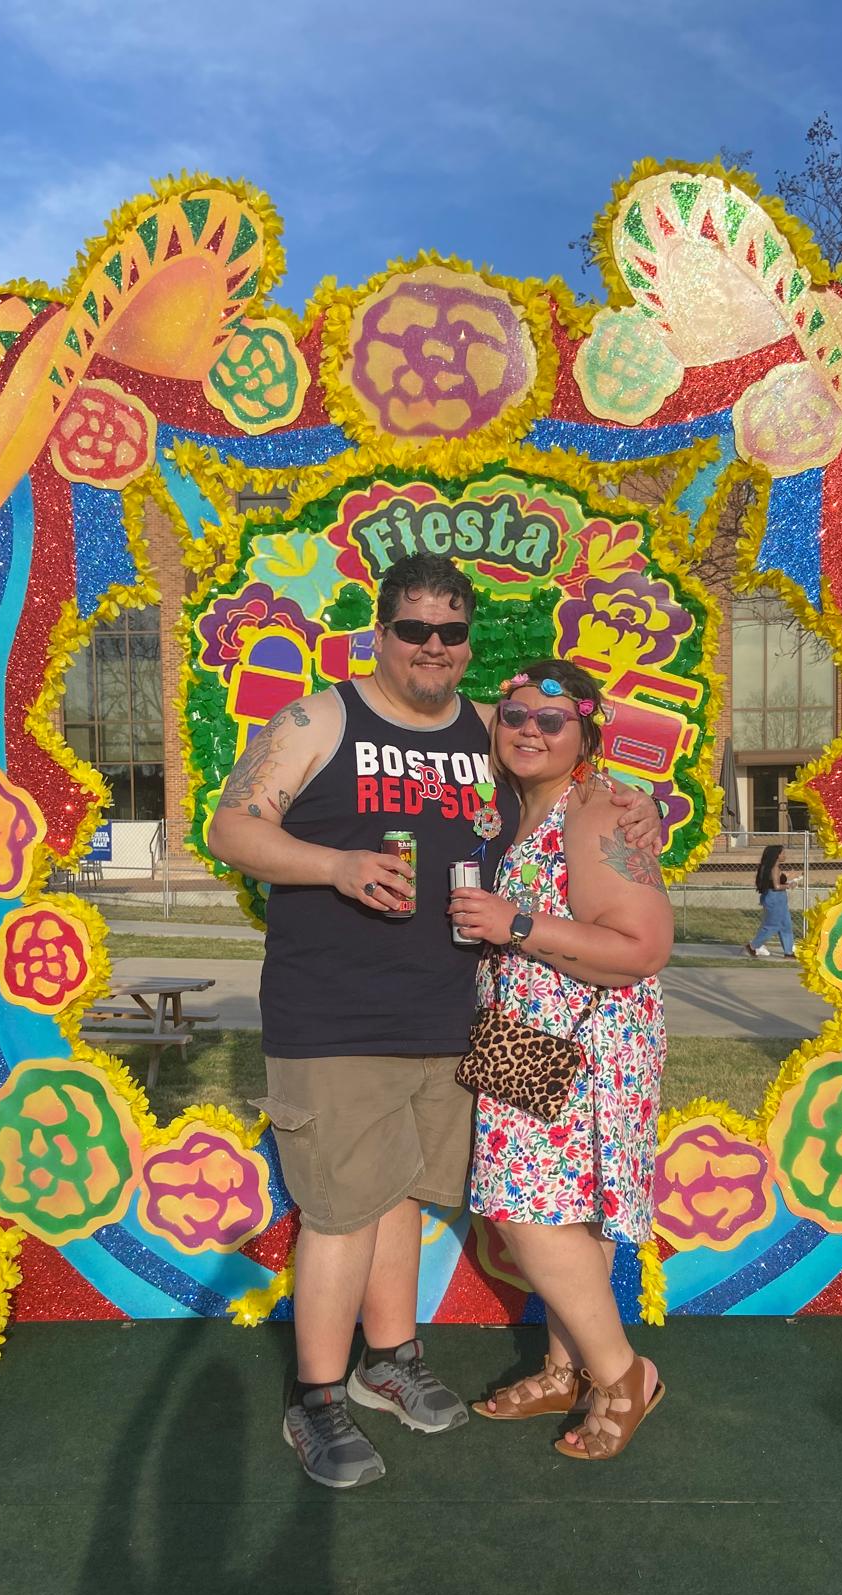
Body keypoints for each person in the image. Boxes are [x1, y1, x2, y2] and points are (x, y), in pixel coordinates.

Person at [205, 553, 662, 1489]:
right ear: (382, 633)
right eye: (412, 629)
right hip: (334, 1014)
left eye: (450, 633)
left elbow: (577, 758)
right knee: (339, 1214)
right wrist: (335, 866)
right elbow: (231, 828)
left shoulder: (491, 730)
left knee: (408, 1198)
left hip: (458, 1023)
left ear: (466, 644)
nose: (432, 647)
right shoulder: (321, 717)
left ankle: (393, 1359)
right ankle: (318, 1400)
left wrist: (634, 802)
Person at [449, 659, 672, 1462]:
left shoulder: (594, 810)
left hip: (578, 1042)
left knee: (524, 1212)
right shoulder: (535, 802)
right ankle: (563, 1367)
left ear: (587, 732)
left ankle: (623, 1375)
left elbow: (643, 945)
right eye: (515, 717)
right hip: (533, 1036)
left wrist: (515, 925)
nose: (529, 730)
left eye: (554, 721)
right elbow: (450, 701)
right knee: (570, 1216)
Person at [745, 844, 798, 959]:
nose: (785, 855)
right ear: (776, 855)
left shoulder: (771, 867)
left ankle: (788, 952)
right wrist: (789, 885)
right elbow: (777, 886)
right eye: (783, 853)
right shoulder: (774, 868)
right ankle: (753, 946)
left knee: (786, 925)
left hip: (779, 899)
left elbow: (775, 880)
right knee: (772, 925)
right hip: (775, 898)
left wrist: (787, 876)